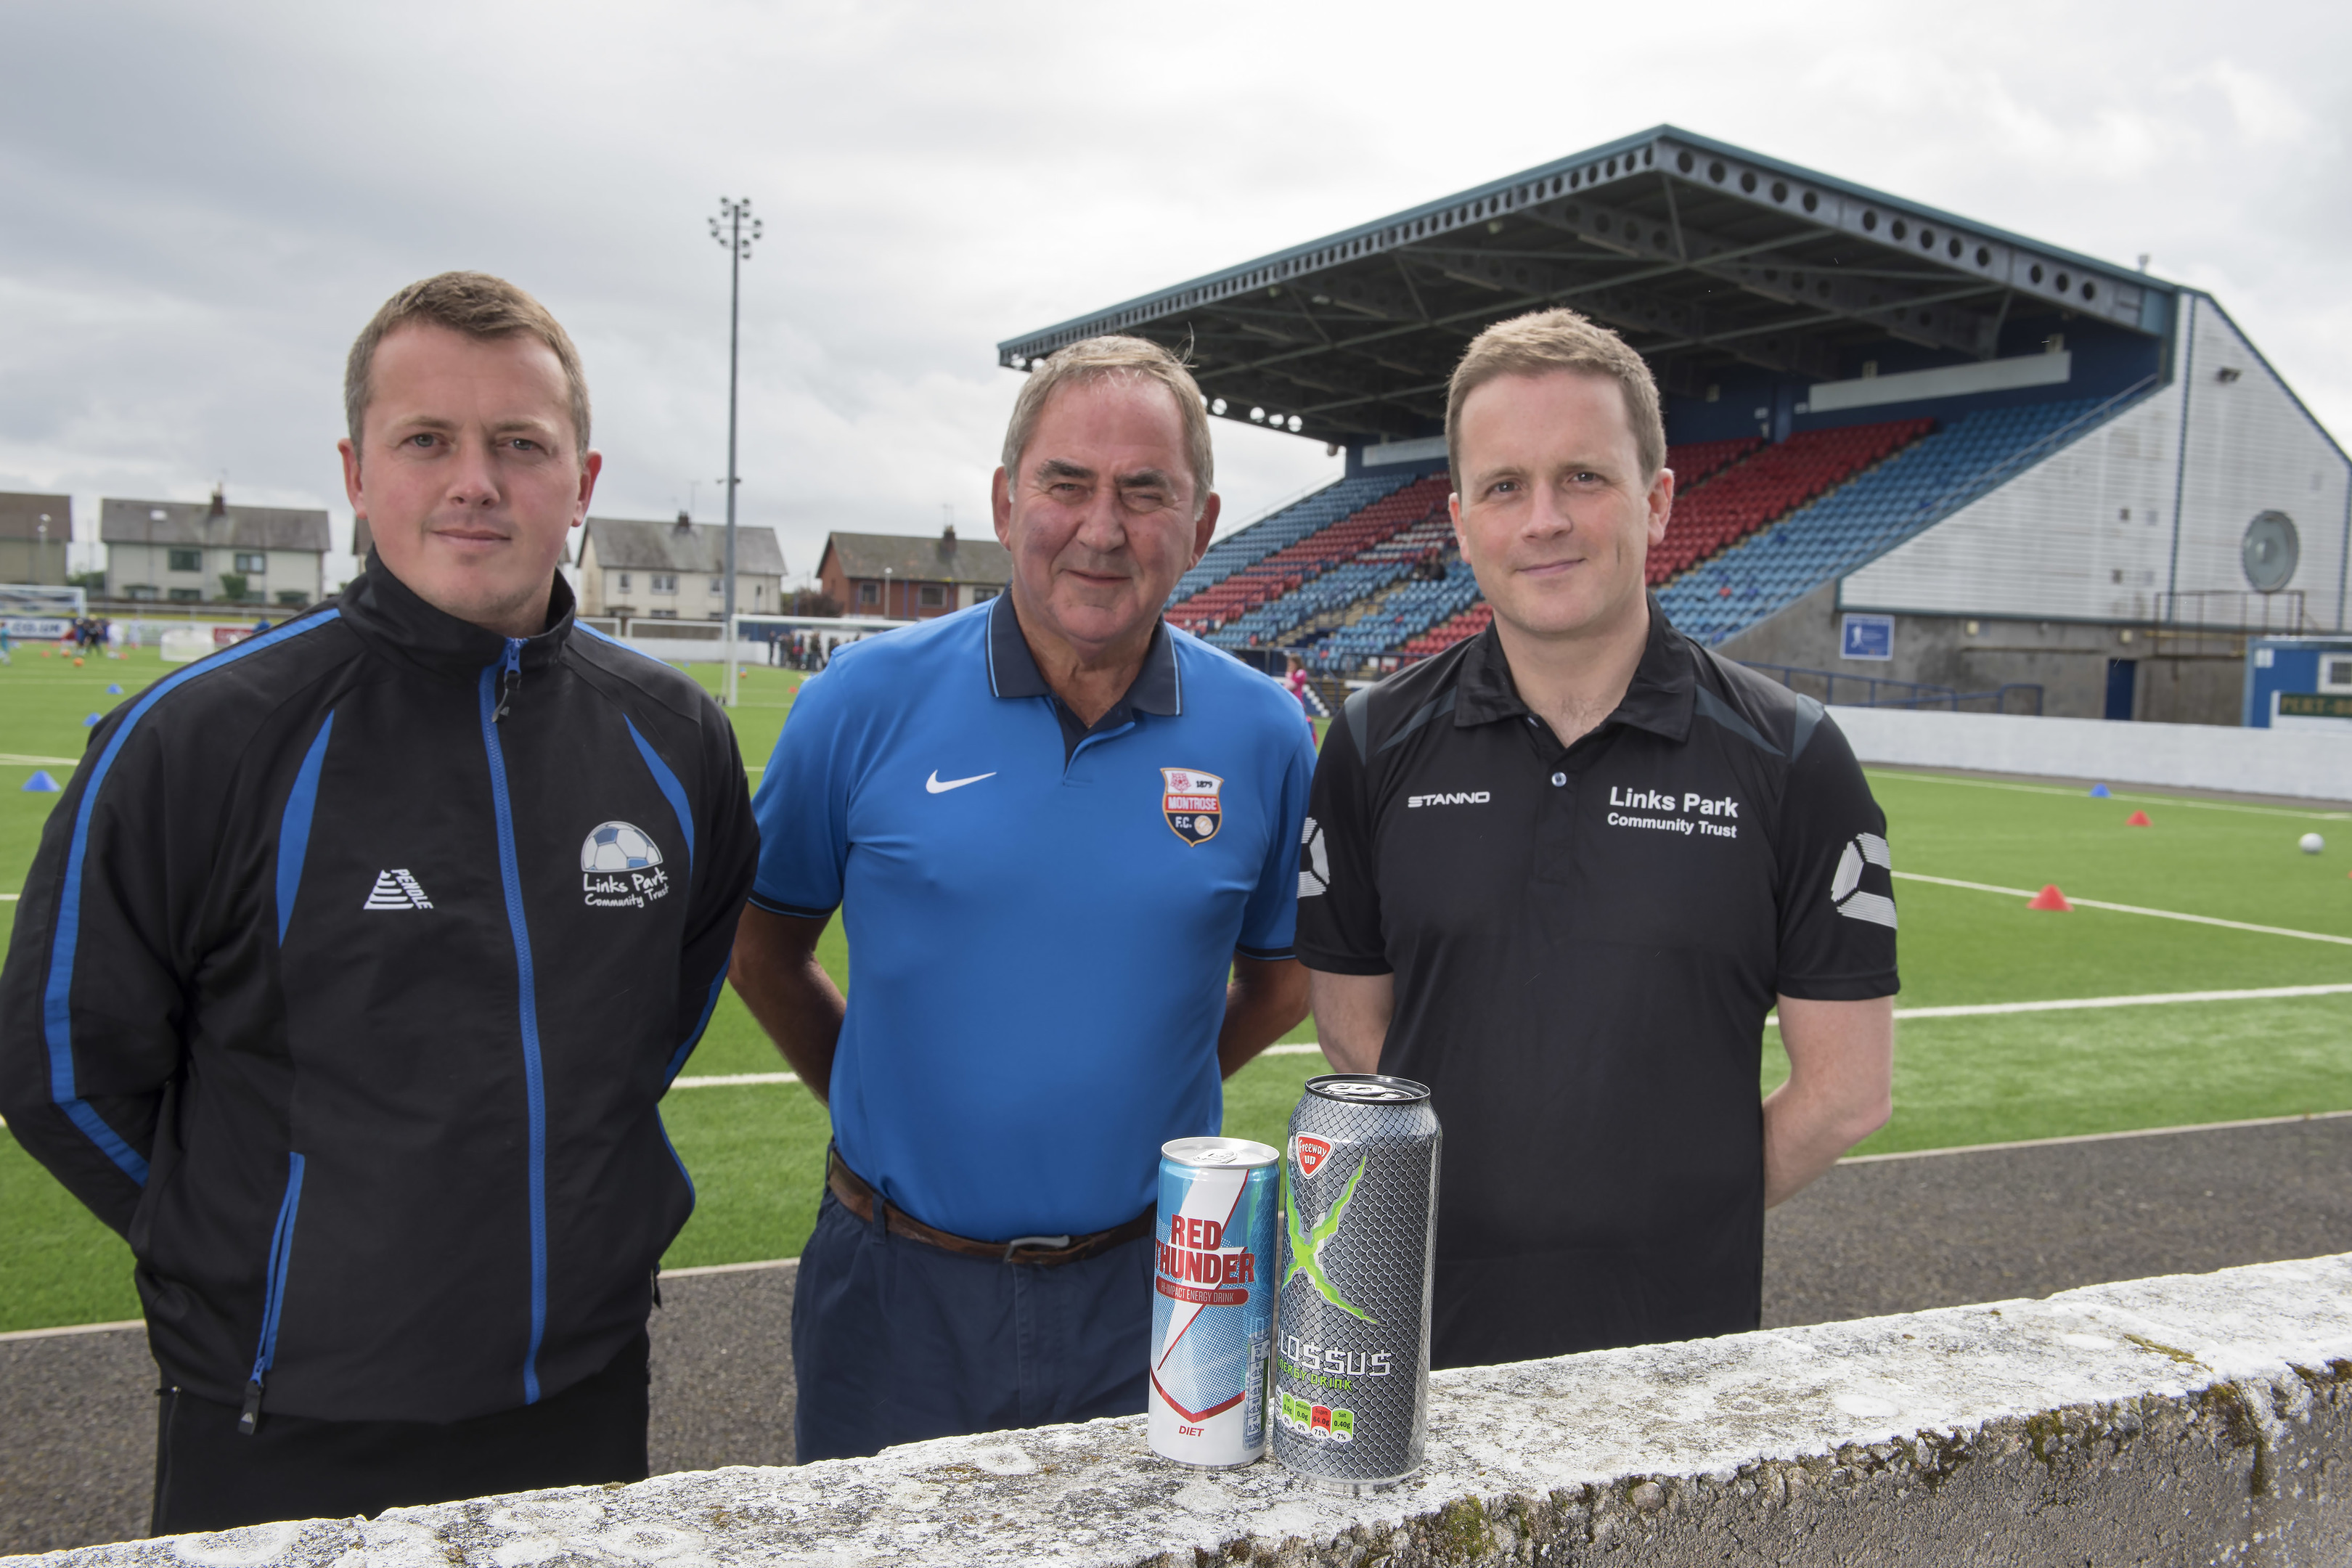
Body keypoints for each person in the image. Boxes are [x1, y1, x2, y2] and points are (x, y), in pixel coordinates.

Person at [0, 271, 756, 1532]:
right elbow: (64, 1072)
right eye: (428, 441)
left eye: (521, 443)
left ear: (583, 480)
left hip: (581, 1389)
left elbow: (650, 1023)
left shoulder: (675, 739)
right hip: (288, 1421)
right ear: (358, 472)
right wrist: (273, 1250)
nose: (477, 480)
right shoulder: (195, 740)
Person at [730, 335, 1316, 1462]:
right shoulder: (859, 701)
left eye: (1146, 493)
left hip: (1158, 1289)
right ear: (1007, 503)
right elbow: (762, 948)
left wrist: (1141, 1092)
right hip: (894, 1291)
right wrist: (878, 1091)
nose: (1103, 528)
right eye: (1067, 484)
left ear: (1200, 526)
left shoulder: (1264, 734)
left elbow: (1284, 979)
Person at [1297, 307, 1897, 1371]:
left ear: (1657, 501)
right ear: (1462, 520)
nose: (1545, 520)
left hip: (1679, 1359)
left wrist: (1669, 1214)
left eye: (1584, 477)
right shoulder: (1371, 745)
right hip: (1422, 1347)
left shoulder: (1794, 759)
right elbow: (1353, 1037)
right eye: (1506, 485)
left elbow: (1847, 1093)